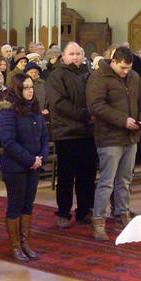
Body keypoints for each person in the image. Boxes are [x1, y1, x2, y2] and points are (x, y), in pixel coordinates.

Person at [86, 47, 141, 241]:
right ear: (113, 61)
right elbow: (96, 105)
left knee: (125, 180)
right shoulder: (99, 77)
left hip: (130, 137)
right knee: (106, 182)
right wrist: (122, 120)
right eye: (123, 67)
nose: (126, 71)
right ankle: (98, 220)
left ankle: (122, 214)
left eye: (128, 68)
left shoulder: (133, 77)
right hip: (109, 137)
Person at [0, 74, 48, 262]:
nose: (30, 90)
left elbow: (44, 137)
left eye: (31, 86)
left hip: (34, 165)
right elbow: (8, 142)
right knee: (15, 206)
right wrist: (30, 159)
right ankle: (15, 246)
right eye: (25, 87)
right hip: (16, 166)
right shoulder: (8, 111)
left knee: (28, 205)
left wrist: (41, 157)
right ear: (17, 89)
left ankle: (25, 243)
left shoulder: (35, 108)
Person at [44, 41, 97, 228]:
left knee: (87, 175)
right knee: (66, 176)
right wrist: (86, 115)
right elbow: (58, 103)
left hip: (88, 132)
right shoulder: (56, 75)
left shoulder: (88, 74)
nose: (75, 57)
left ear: (83, 55)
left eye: (78, 53)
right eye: (71, 54)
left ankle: (84, 210)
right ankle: (63, 212)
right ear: (64, 56)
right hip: (67, 132)